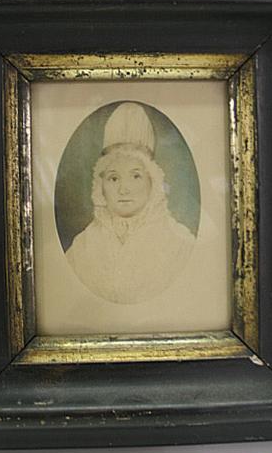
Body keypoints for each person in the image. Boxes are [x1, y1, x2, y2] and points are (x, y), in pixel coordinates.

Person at [66, 102, 195, 304]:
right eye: (114, 178)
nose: (123, 189)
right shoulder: (81, 247)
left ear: (153, 182)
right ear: (100, 187)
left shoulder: (180, 243)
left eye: (135, 176)